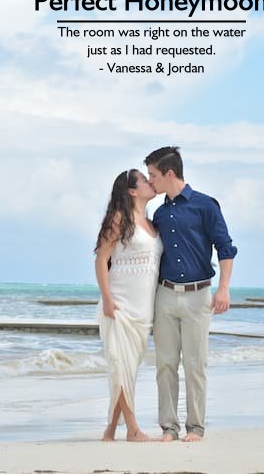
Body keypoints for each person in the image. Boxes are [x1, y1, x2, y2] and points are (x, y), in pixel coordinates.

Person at [144, 146, 237, 442]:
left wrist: (223, 288)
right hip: (165, 295)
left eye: (153, 175)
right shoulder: (158, 214)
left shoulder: (205, 206)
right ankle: (168, 428)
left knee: (196, 365)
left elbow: (225, 248)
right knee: (165, 365)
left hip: (199, 296)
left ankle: (195, 427)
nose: (151, 181)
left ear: (169, 173)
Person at [94, 169, 163, 442]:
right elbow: (101, 259)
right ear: (132, 191)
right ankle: (132, 429)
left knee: (129, 370)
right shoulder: (119, 218)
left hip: (143, 309)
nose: (150, 182)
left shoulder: (151, 222)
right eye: (144, 180)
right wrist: (108, 299)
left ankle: (110, 430)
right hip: (119, 305)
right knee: (120, 366)